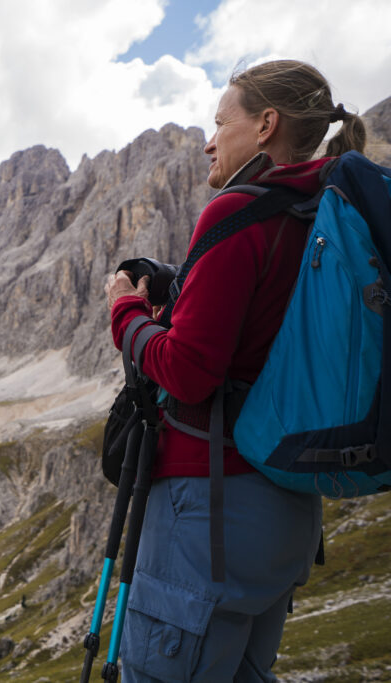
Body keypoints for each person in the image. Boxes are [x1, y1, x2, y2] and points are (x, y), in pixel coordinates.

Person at [103, 59, 367, 682]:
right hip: (286, 513)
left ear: (267, 124)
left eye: (221, 122)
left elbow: (189, 372)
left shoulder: (237, 213)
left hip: (210, 511)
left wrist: (125, 313)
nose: (209, 139)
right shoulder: (325, 211)